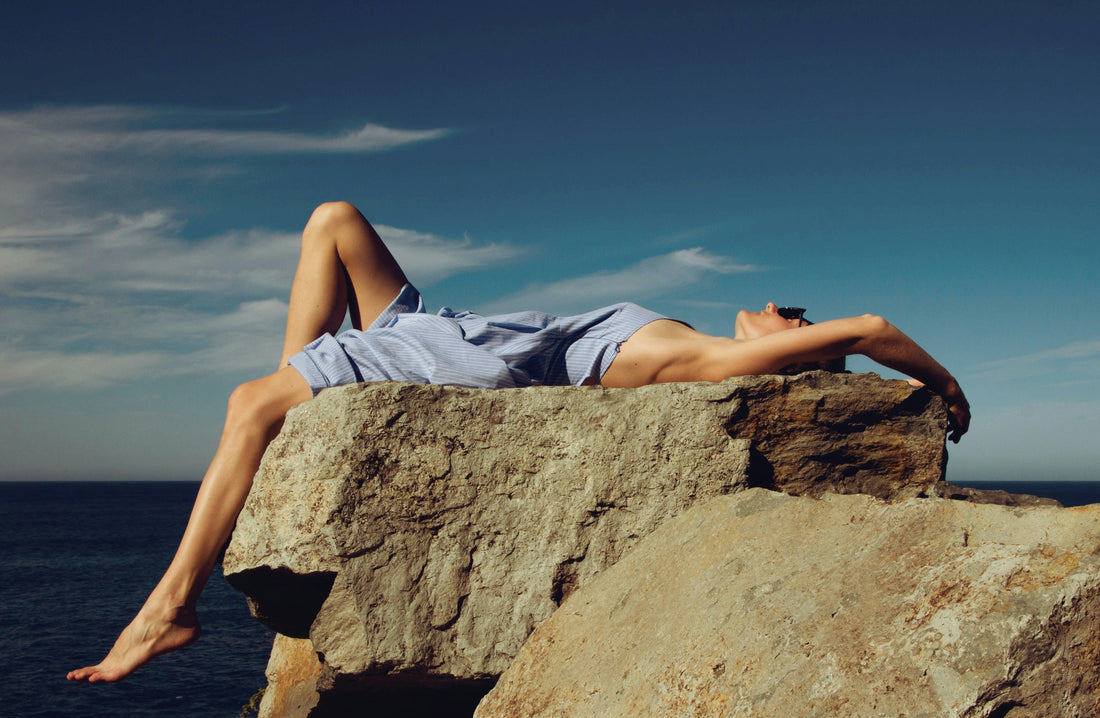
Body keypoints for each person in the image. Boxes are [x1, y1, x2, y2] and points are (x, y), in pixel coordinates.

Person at [67, 201, 970, 683]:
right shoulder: (695, 340)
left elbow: (874, 328)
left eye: (788, 313)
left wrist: (945, 387)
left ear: (781, 340)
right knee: (333, 218)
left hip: (477, 359)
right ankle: (308, 383)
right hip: (469, 326)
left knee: (248, 399)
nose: (775, 305)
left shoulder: (716, 358)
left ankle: (167, 605)